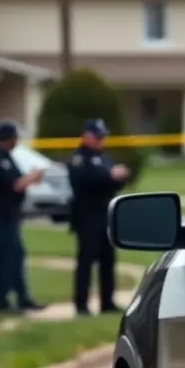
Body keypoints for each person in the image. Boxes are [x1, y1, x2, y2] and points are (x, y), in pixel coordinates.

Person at [68, 118, 131, 315]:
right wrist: (110, 176)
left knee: (107, 259)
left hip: (106, 214)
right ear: (87, 136)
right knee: (86, 260)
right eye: (97, 137)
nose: (101, 141)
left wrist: (119, 177)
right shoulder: (80, 158)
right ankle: (81, 304)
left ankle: (107, 301)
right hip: (87, 215)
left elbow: (111, 184)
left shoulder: (103, 157)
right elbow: (84, 182)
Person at [0, 120, 46, 314]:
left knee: (17, 255)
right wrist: (33, 177)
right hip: (2, 215)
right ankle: (2, 300)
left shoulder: (8, 158)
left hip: (12, 214)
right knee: (5, 256)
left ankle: (22, 297)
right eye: (14, 137)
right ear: (7, 139)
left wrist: (30, 178)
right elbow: (15, 185)